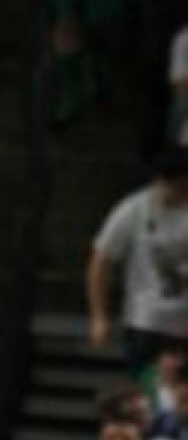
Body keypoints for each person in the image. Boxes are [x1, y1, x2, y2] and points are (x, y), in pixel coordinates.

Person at [87, 146, 188, 377]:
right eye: (179, 187)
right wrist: (99, 316)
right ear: (162, 181)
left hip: (184, 321)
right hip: (147, 321)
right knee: (150, 387)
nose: (183, 194)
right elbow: (101, 260)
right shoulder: (135, 209)